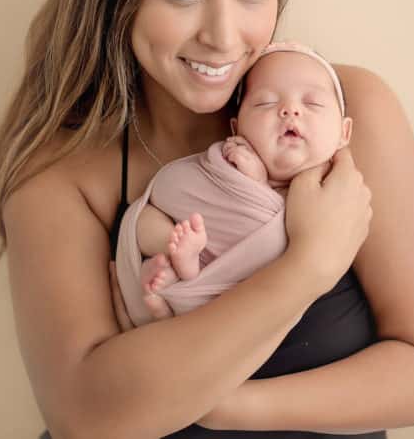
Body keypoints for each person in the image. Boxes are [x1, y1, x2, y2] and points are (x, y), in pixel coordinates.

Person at [0, 0, 414, 438]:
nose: (223, 34)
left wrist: (221, 405)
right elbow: (87, 417)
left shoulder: (343, 114)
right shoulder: (62, 171)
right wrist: (309, 265)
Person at [121, 41, 355, 326]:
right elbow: (176, 190)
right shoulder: (231, 160)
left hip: (241, 299)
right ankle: (177, 264)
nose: (290, 110)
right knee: (143, 220)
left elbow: (295, 231)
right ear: (236, 128)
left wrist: (257, 184)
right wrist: (250, 179)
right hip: (196, 237)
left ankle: (180, 291)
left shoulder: (339, 189)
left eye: (312, 103)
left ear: (344, 132)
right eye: (265, 102)